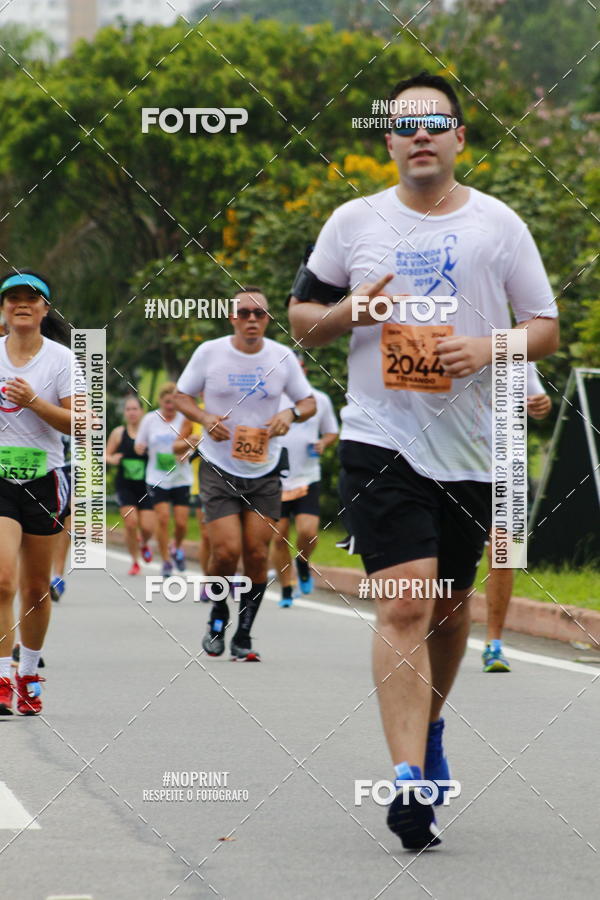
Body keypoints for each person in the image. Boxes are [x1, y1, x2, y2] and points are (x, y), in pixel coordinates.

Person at [288, 71, 559, 848]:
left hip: (470, 449)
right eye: (405, 126)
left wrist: (488, 347)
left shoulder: (498, 224)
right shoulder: (353, 221)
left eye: (435, 124)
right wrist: (351, 312)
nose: (420, 136)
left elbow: (542, 326)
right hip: (383, 440)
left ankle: (430, 729)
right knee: (405, 602)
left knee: (446, 608)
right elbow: (304, 321)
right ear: (389, 141)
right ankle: (407, 782)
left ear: (458, 139)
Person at [175, 288, 315, 661]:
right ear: (232, 318)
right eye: (245, 313)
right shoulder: (210, 352)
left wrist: (290, 414)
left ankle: (244, 635)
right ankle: (219, 611)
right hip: (219, 465)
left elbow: (309, 401)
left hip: (265, 468)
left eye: (260, 314)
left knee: (256, 552)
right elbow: (180, 397)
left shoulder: (281, 357)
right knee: (226, 551)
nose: (252, 319)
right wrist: (204, 418)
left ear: (268, 320)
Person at [0, 270, 78, 715]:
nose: (22, 304)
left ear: (45, 309)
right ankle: (1, 679)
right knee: (2, 580)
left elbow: (80, 423)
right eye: (13, 299)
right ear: (3, 309)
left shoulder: (62, 361)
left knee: (35, 590)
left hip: (44, 480)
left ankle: (28, 673)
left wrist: (34, 402)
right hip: (0, 481)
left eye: (32, 298)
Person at [482, 362, 552, 672]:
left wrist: (542, 405)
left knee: (503, 548)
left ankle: (493, 643)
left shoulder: (516, 356)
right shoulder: (446, 340)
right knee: (443, 551)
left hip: (506, 464)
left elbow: (537, 403)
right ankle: (433, 626)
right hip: (451, 461)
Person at [272, 353, 339, 606]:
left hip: (307, 477)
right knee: (278, 538)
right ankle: (287, 588)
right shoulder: (273, 400)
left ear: (304, 372)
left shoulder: (319, 400)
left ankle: (302, 561)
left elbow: (332, 431)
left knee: (308, 532)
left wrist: (324, 442)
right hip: (276, 478)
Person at [134, 383, 193, 578]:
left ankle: (176, 546)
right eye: (166, 402)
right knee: (162, 519)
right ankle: (166, 561)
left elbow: (193, 443)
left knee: (182, 523)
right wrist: (140, 448)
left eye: (173, 402)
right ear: (160, 401)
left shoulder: (185, 420)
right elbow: (138, 444)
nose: (170, 406)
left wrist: (187, 453)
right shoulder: (150, 420)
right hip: (157, 477)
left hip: (180, 477)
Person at [106, 395, 155, 576]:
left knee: (148, 528)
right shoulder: (119, 433)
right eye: (128, 409)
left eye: (135, 409)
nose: (132, 413)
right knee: (131, 522)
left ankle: (143, 543)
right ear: (124, 413)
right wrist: (113, 459)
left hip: (146, 485)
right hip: (125, 485)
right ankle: (135, 561)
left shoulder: (148, 433)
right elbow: (106, 454)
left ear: (141, 411)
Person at [174, 410, 211, 575]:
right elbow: (177, 450)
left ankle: (226, 574)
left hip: (232, 484)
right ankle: (208, 580)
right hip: (202, 486)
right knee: (206, 535)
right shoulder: (194, 415)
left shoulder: (231, 408)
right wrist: (189, 442)